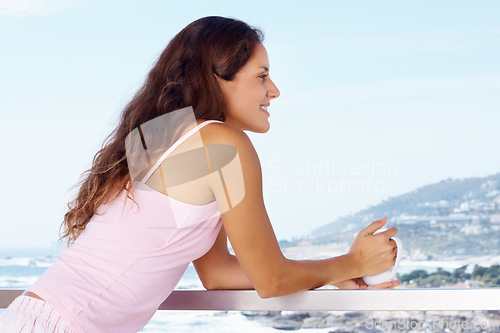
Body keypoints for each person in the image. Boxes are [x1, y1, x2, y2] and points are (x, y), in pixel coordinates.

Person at [0, 16, 399, 333]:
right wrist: (352, 263)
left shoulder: (158, 136)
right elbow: (271, 280)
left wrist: (325, 273)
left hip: (32, 316)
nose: (274, 90)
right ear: (217, 79)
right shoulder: (224, 146)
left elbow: (217, 273)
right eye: (261, 76)